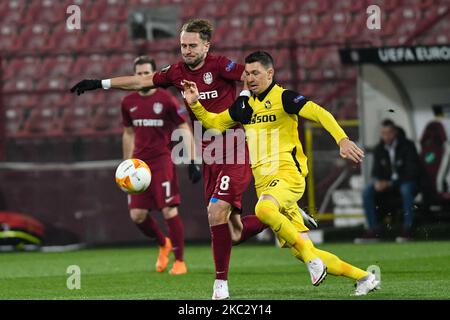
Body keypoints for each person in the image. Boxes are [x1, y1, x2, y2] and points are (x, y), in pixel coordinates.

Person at [71, 19, 272, 300]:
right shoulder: (176, 72)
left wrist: (245, 96)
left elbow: (251, 75)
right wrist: (99, 83)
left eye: (192, 45)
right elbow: (141, 81)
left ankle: (220, 286)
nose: (187, 50)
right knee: (234, 232)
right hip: (209, 154)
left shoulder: (220, 65)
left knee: (215, 213)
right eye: (183, 45)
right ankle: (275, 217)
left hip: (235, 149)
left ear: (206, 45)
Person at [182, 51, 381, 296]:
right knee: (301, 248)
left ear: (270, 73)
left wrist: (342, 140)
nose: (251, 78)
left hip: (288, 173)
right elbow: (214, 123)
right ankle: (365, 277)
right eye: (248, 73)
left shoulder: (284, 97)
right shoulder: (245, 107)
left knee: (263, 210)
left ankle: (312, 261)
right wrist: (195, 104)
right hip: (265, 183)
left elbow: (319, 113)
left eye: (256, 73)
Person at [121, 56, 199, 275]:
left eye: (147, 73)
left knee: (169, 209)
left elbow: (183, 128)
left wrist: (193, 160)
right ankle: (162, 243)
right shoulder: (128, 102)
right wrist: (126, 165)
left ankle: (180, 261)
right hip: (138, 165)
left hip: (162, 162)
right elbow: (128, 133)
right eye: (138, 73)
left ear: (154, 75)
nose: (142, 77)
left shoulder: (166, 99)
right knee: (137, 215)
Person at [356, 119, 421, 243]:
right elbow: (375, 172)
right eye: (383, 133)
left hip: (406, 182)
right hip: (388, 185)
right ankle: (372, 230)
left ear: (394, 132)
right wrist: (379, 182)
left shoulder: (407, 146)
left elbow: (412, 172)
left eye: (388, 133)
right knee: (367, 191)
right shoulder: (379, 149)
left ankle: (408, 229)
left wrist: (390, 183)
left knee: (406, 189)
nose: (386, 136)